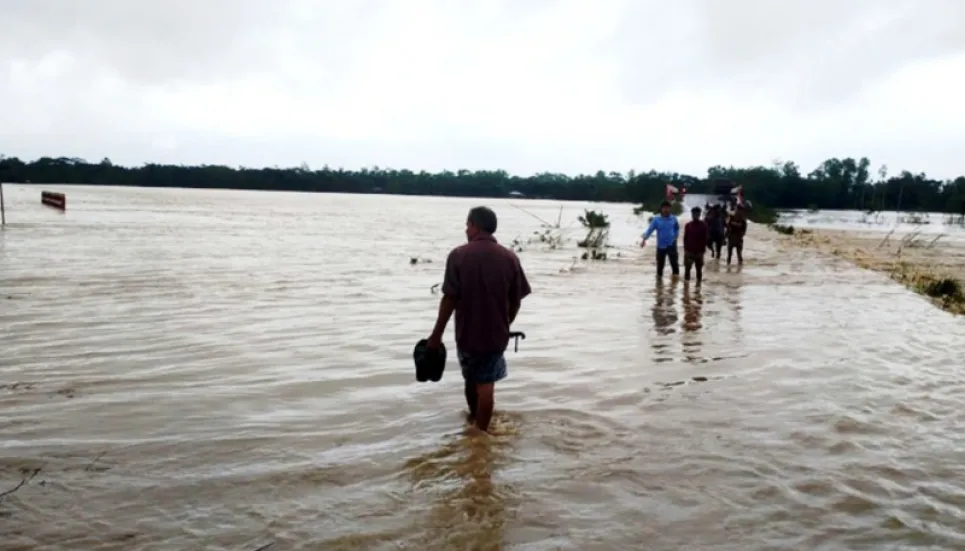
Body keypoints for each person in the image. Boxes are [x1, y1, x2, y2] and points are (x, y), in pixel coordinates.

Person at [426, 206, 531, 433]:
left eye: (467, 224)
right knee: (483, 382)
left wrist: (436, 335)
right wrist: (505, 324)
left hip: (467, 334)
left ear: (475, 225)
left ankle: (479, 434)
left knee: (475, 381)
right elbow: (517, 300)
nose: (466, 229)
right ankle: (479, 432)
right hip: (496, 335)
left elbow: (449, 299)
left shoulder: (459, 255)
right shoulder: (510, 258)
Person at [640, 200, 680, 279]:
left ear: (670, 209)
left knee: (674, 264)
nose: (666, 210)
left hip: (672, 244)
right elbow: (649, 230)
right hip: (661, 246)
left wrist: (676, 235)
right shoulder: (656, 220)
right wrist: (644, 239)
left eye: (668, 208)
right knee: (660, 266)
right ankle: (659, 285)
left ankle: (675, 283)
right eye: (664, 208)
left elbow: (677, 228)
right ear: (661, 209)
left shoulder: (674, 218)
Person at [683, 206, 709, 285]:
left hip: (699, 253)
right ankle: (686, 288)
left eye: (697, 214)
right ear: (692, 214)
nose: (695, 215)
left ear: (699, 214)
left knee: (699, 271)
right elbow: (685, 238)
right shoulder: (688, 225)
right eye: (693, 213)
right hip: (689, 252)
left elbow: (705, 239)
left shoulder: (703, 225)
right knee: (687, 271)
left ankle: (698, 288)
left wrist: (702, 251)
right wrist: (686, 250)